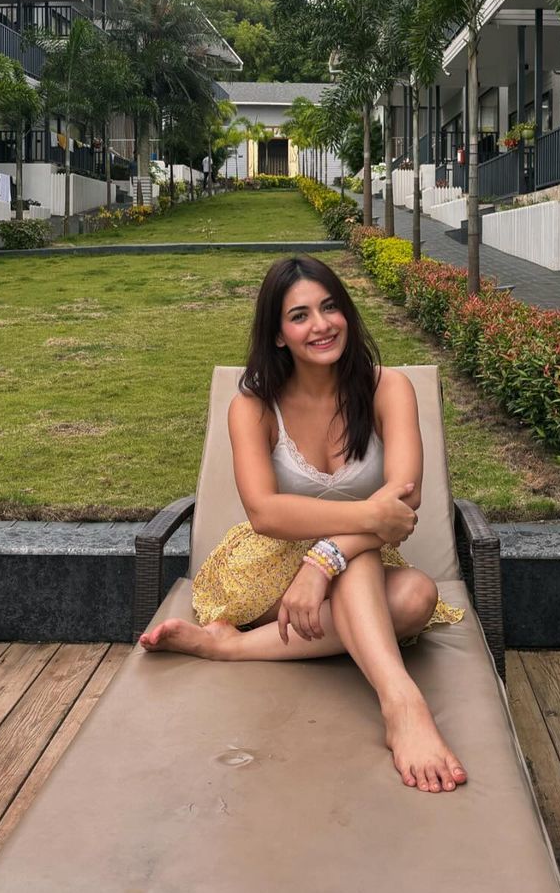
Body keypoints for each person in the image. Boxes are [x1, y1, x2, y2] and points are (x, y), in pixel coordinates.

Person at [140, 255, 468, 795]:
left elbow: (404, 503)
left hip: (344, 564)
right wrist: (363, 523)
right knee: (361, 558)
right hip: (264, 566)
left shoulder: (389, 389)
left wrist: (324, 559)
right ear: (278, 334)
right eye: (300, 316)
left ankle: (230, 648)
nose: (321, 325)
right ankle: (403, 703)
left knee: (416, 597)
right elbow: (266, 513)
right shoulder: (253, 406)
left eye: (330, 307)